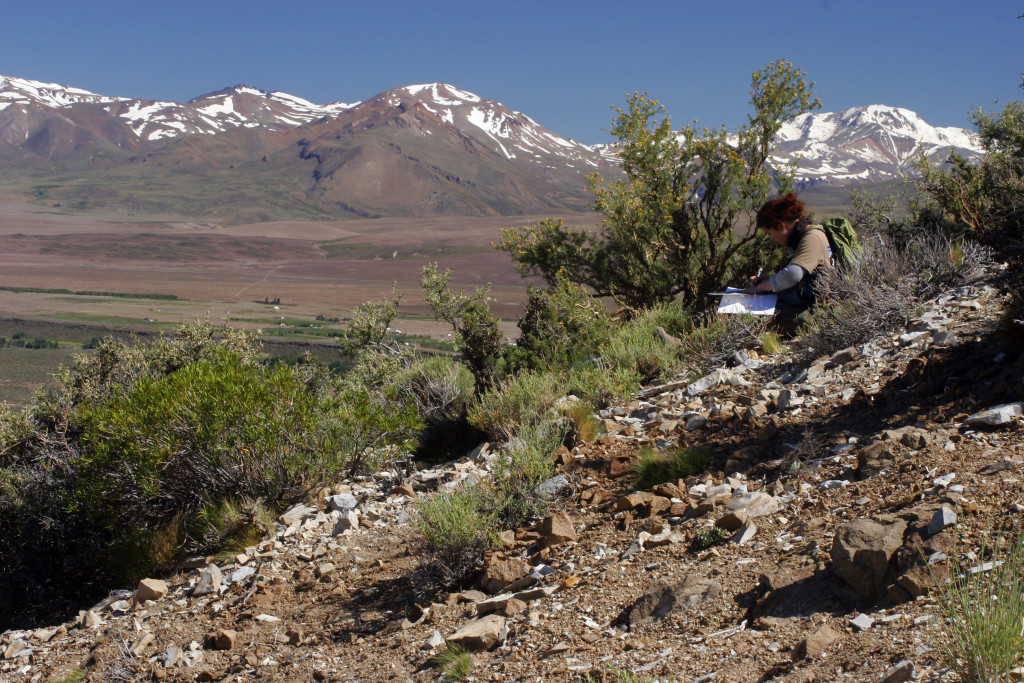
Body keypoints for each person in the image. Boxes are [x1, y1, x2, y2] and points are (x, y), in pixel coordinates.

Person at [744, 193, 832, 336]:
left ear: (781, 225)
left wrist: (761, 287)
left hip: (817, 316)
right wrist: (767, 281)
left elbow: (792, 275)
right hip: (808, 308)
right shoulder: (801, 238)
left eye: (769, 233)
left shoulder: (812, 237)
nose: (771, 238)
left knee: (747, 314)